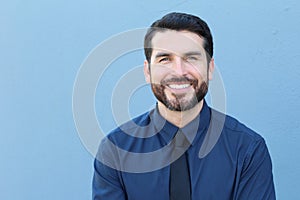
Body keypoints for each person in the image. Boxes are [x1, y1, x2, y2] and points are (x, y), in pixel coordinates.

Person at [92, 12, 276, 199]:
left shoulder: (247, 150)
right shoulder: (115, 151)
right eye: (165, 59)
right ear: (147, 71)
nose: (178, 71)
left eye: (191, 58)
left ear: (210, 68)